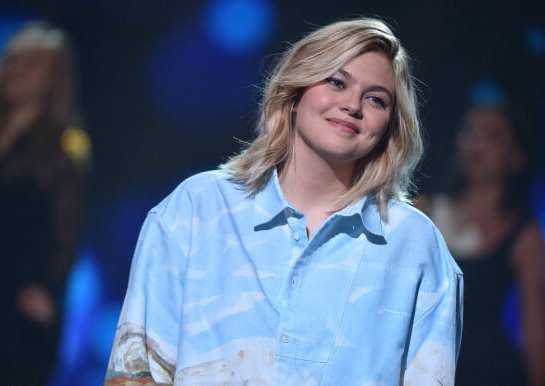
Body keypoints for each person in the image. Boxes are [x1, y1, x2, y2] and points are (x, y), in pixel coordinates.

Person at [105, 17, 463, 385]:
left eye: (375, 99)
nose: (352, 105)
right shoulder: (198, 208)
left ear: (390, 123)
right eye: (337, 82)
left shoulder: (413, 244)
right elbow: (137, 371)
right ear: (295, 92)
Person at [0, 21, 90, 386]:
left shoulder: (61, 152)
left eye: (30, 62)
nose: (15, 69)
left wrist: (49, 290)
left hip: (19, 311)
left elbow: (67, 230)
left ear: (52, 78)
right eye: (11, 59)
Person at [417, 97, 545, 385]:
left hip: (487, 371)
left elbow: (534, 334)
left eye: (493, 134)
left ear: (516, 157)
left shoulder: (523, 233)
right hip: (419, 367)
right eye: (470, 130)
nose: (477, 141)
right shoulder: (423, 211)